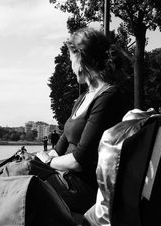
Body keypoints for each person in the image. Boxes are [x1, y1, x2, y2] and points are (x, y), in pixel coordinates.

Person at [35, 26, 132, 213]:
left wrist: (46, 162)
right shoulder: (83, 98)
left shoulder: (108, 97)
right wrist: (41, 159)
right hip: (66, 179)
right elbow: (59, 148)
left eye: (71, 59)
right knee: (17, 172)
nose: (71, 67)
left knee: (16, 182)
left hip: (84, 189)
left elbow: (80, 160)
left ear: (81, 58)